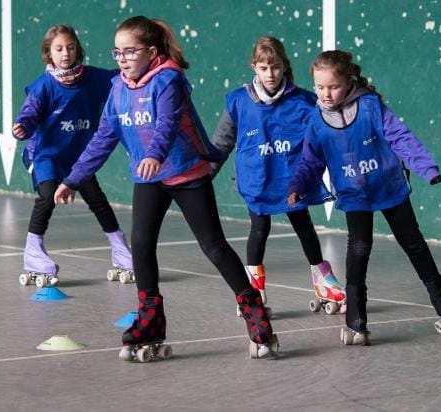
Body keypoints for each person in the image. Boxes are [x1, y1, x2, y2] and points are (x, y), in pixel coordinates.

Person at [53, 16, 279, 360]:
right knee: (141, 246)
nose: (123, 58)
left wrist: (155, 156)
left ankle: (254, 310)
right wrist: (73, 179)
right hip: (149, 178)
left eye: (130, 51)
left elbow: (167, 124)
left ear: (151, 52)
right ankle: (151, 319)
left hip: (186, 173)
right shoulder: (117, 89)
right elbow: (103, 138)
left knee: (214, 246)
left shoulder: (168, 80)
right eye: (118, 52)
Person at [288, 50, 441, 345]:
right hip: (354, 194)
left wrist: (425, 166)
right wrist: (297, 185)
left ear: (348, 82)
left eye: (333, 87)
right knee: (359, 249)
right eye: (320, 87)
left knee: (413, 243)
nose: (326, 94)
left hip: (388, 187)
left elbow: (400, 137)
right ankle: (356, 319)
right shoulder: (316, 121)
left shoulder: (370, 106)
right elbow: (310, 162)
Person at [211, 36, 345, 316]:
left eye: (275, 67)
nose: (270, 74)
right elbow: (221, 142)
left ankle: (322, 280)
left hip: (291, 181)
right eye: (263, 68)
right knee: (259, 229)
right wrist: (206, 173)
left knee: (304, 227)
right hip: (256, 180)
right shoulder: (238, 101)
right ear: (254, 68)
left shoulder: (305, 102)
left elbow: (327, 136)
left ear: (284, 66)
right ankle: (253, 290)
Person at [13, 24, 133, 287]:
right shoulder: (43, 86)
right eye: (58, 49)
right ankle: (33, 255)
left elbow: (121, 77)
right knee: (46, 197)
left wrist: (144, 66)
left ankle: (122, 252)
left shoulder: (92, 78)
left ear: (78, 49)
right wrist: (23, 126)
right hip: (45, 155)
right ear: (48, 53)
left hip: (79, 157)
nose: (65, 53)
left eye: (70, 47)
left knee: (97, 200)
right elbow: (30, 113)